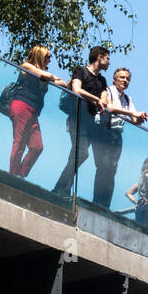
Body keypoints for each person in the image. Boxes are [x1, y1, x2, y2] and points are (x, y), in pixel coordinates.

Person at [54, 46, 112, 196]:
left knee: (76, 154)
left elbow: (104, 101)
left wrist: (100, 100)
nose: (109, 62)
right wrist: (96, 99)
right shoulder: (81, 71)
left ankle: (62, 189)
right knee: (81, 153)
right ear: (99, 57)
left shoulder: (102, 80)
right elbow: (77, 90)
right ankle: (61, 187)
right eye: (107, 58)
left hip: (90, 124)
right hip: (76, 118)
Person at [91, 65, 148, 209]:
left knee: (111, 170)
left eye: (128, 79)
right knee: (103, 167)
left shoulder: (128, 99)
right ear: (114, 79)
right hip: (103, 131)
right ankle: (97, 202)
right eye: (122, 77)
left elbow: (135, 120)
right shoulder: (108, 90)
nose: (125, 80)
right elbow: (110, 107)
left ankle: (105, 205)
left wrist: (140, 117)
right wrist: (132, 114)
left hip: (116, 135)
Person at [6, 44, 66, 177]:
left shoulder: (45, 75)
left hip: (33, 112)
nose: (50, 60)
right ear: (40, 56)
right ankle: (11, 176)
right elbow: (42, 74)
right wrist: (52, 77)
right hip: (21, 105)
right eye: (48, 57)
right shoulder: (27, 66)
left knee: (37, 146)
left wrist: (55, 79)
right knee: (19, 142)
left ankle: (20, 175)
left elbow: (61, 83)